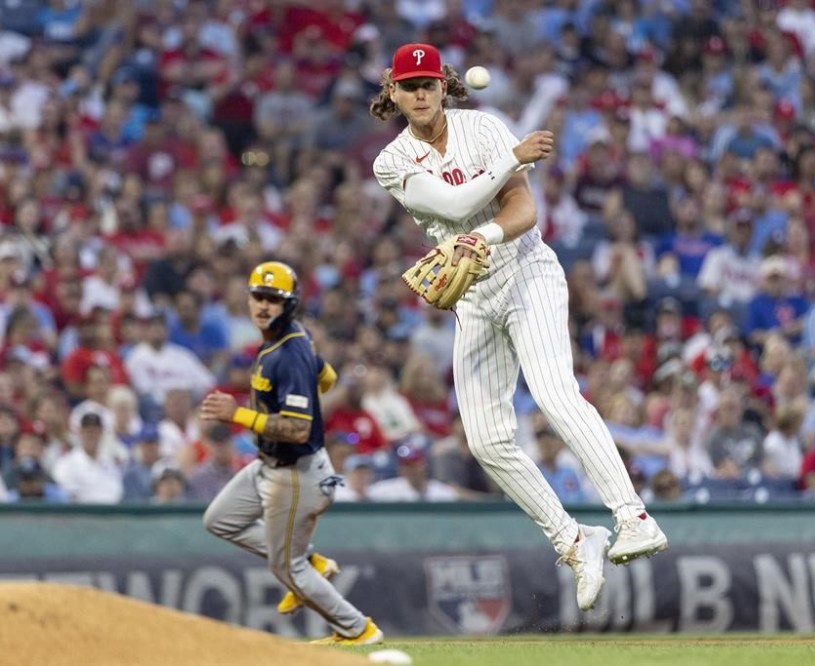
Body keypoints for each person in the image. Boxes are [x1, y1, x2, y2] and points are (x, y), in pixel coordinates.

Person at [370, 43, 667, 612]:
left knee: (555, 395)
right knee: (484, 439)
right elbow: (456, 207)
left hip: (526, 269)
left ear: (444, 83)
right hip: (475, 295)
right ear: (393, 91)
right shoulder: (392, 160)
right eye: (409, 85)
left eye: (429, 82)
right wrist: (510, 162)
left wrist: (487, 231)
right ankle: (575, 539)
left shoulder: (482, 127)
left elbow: (522, 211)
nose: (421, 93)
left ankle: (632, 517)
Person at [200, 261, 383, 646]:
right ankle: (314, 560)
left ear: (290, 303)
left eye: (273, 299)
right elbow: (328, 377)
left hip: (295, 473)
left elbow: (297, 427)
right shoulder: (287, 339)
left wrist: (239, 415)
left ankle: (357, 630)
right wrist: (309, 379)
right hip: (269, 466)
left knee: (286, 566)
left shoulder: (289, 352)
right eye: (258, 296)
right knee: (219, 519)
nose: (263, 305)